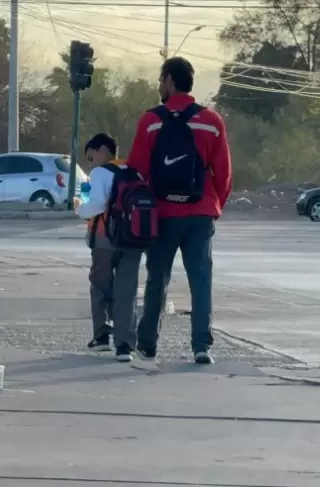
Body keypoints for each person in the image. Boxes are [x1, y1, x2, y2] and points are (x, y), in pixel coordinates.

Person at [126, 56, 233, 365]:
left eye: (162, 80)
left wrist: (141, 210)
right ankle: (201, 346)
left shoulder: (151, 120)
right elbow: (223, 173)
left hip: (162, 214)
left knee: (157, 277)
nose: (160, 86)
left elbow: (137, 170)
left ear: (171, 81)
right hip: (200, 214)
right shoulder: (211, 120)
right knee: (200, 280)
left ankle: (148, 343)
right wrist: (213, 206)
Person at [74, 133, 143, 363]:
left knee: (100, 285)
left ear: (103, 150)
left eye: (91, 157)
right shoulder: (133, 170)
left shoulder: (99, 173)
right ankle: (125, 346)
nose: (90, 163)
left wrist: (79, 209)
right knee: (127, 291)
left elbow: (97, 204)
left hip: (105, 239)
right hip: (133, 238)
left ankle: (102, 337)